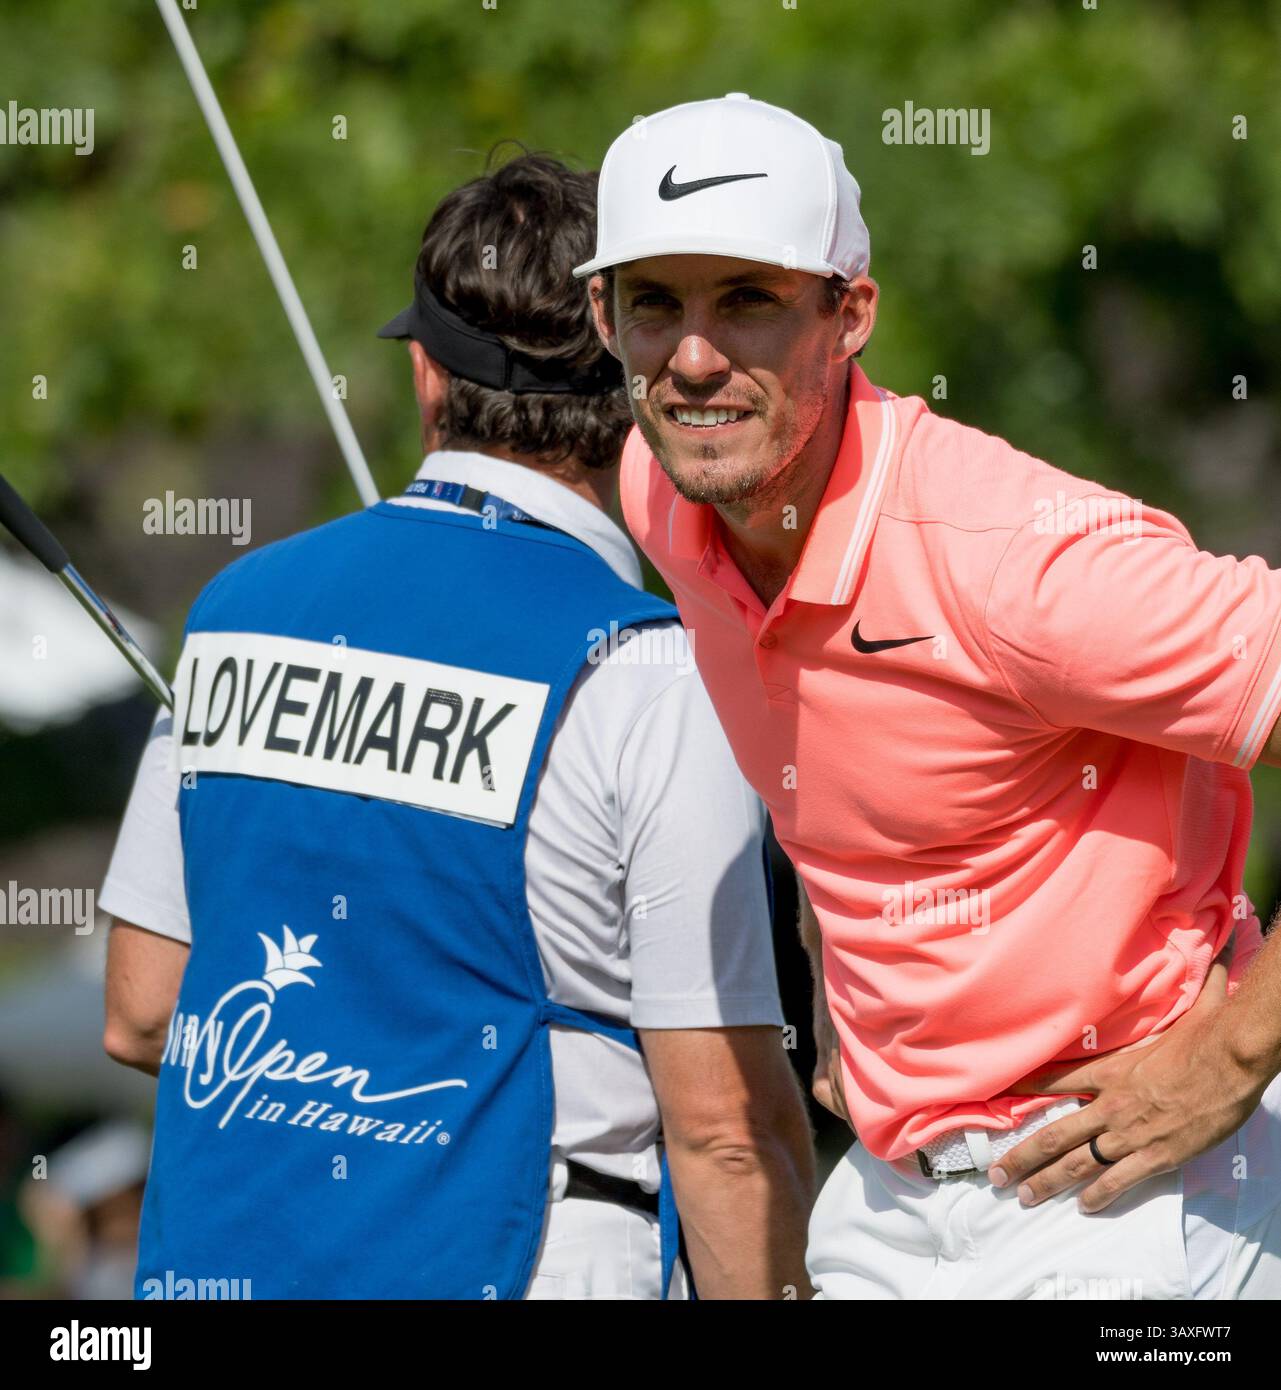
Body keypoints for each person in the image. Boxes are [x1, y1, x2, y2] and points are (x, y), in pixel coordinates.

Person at [578, 92, 1281, 1299]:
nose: (693, 358)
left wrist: (1237, 1051)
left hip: (1129, 1192)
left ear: (848, 315)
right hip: (900, 1197)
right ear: (604, 315)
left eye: (747, 298)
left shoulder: (1014, 559)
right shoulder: (664, 490)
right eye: (655, 302)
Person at [100, 151, 815, 1300]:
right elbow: (728, 1132)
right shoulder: (656, 672)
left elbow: (143, 1011)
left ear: (428, 379)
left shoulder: (233, 609)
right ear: (635, 382)